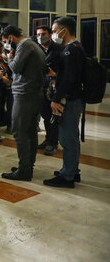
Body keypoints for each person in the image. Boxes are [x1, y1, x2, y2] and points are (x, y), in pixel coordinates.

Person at [44, 17, 86, 188]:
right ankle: (72, 170)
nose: (54, 34)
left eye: (54, 31)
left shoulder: (70, 50)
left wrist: (56, 99)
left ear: (64, 31)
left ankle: (67, 176)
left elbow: (68, 79)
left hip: (69, 100)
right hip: (76, 98)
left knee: (67, 138)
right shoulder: (77, 47)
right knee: (72, 138)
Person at [0, 25, 46, 181]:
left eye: (6, 41)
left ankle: (24, 170)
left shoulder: (24, 45)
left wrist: (9, 57)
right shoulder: (33, 44)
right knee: (30, 132)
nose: (6, 44)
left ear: (11, 38)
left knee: (19, 132)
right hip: (34, 93)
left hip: (25, 94)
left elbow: (16, 68)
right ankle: (27, 165)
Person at [36, 26, 62, 156]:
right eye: (38, 34)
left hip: (55, 87)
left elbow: (66, 70)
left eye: (44, 33)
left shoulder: (58, 49)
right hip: (42, 86)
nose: (41, 36)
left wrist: (55, 74)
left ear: (50, 34)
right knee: (45, 115)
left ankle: (53, 142)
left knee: (53, 116)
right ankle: (48, 139)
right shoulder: (37, 48)